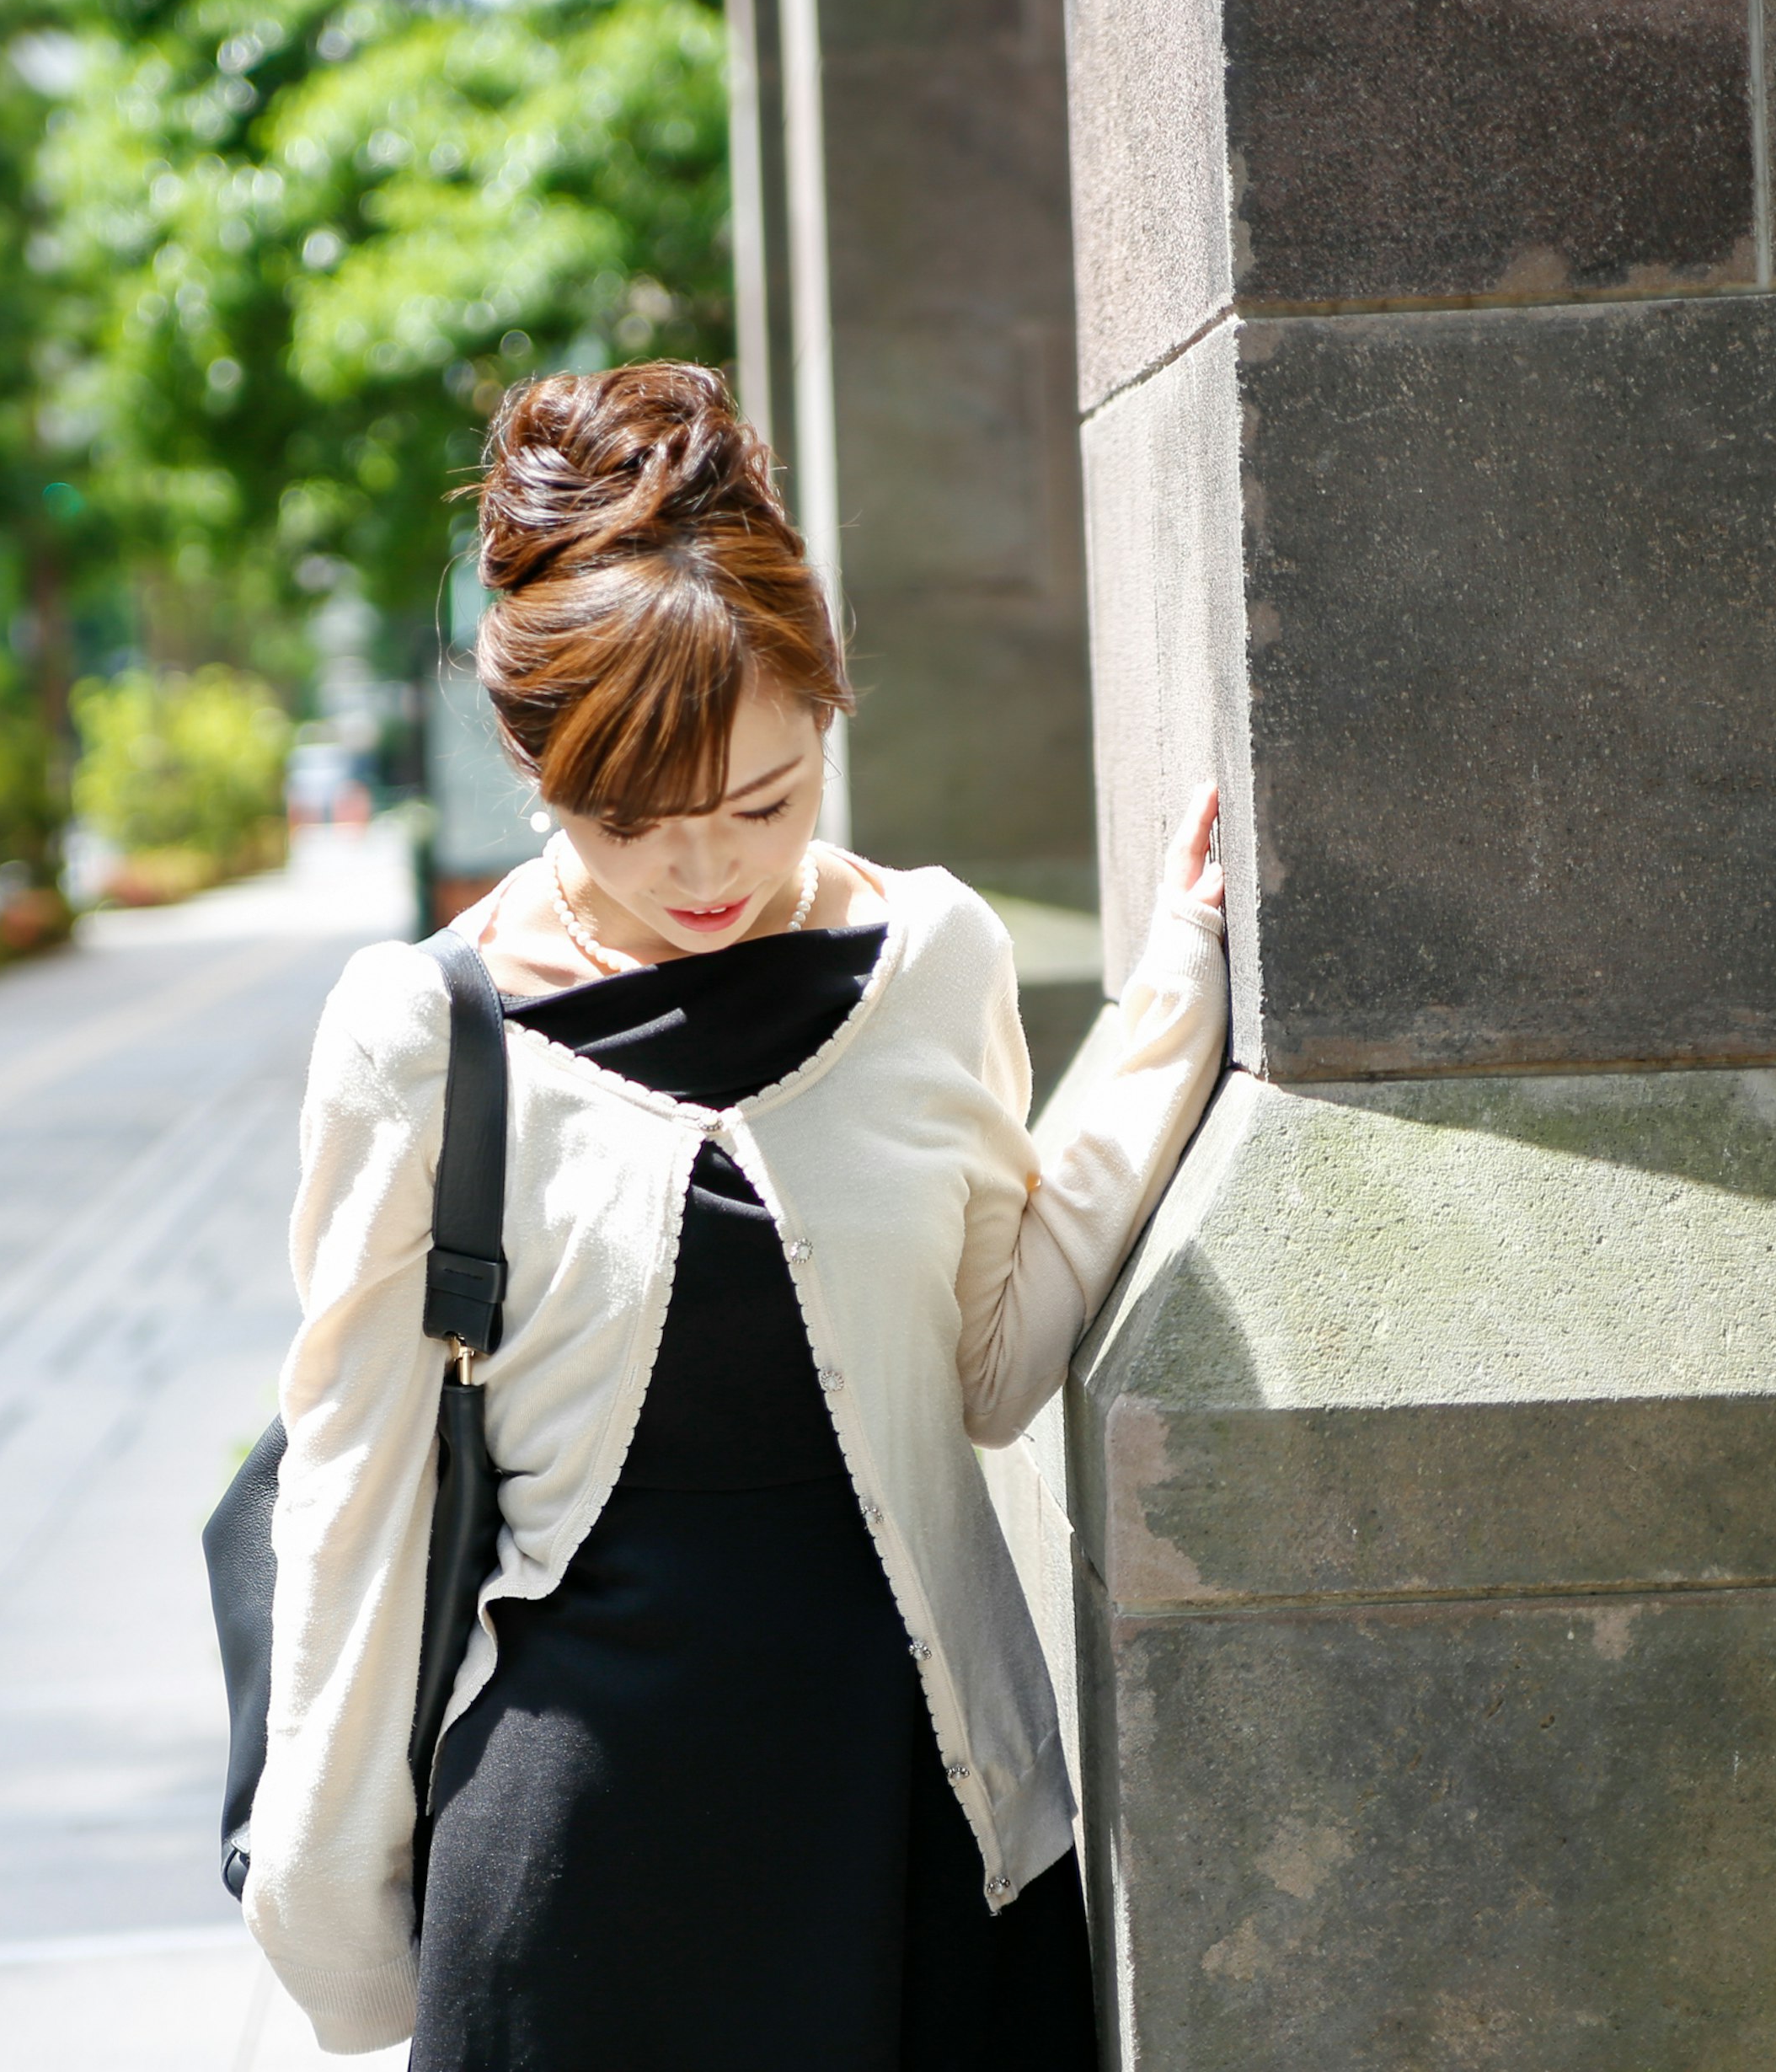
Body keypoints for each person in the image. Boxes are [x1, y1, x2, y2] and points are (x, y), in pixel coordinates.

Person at [244, 361, 1227, 2065]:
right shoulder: (423, 1033)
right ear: (534, 765)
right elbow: (354, 1491)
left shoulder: (931, 956)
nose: (704, 869)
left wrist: (1171, 1017)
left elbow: (988, 1369)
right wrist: (334, 1924)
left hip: (920, 1819)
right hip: (581, 1869)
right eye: (627, 818)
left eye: (764, 803)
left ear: (831, 710)